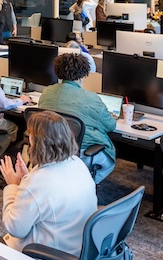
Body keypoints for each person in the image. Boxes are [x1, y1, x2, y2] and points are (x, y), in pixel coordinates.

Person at [0, 110, 97, 256]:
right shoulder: (78, 164)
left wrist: (12, 186)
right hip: (76, 247)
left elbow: (15, 229)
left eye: (30, 135)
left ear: (37, 143)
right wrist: (27, 179)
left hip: (48, 257)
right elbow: (46, 193)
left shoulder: (38, 182)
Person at [37, 53, 116, 183]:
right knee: (110, 162)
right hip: (78, 152)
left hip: (50, 148)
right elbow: (111, 126)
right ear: (83, 74)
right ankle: (85, 185)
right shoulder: (91, 98)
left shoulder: (47, 92)